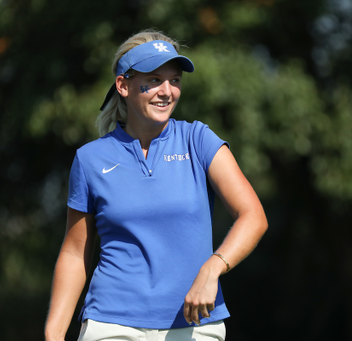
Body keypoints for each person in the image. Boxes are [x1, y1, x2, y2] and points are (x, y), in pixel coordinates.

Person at [44, 29, 268, 341]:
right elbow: (74, 253)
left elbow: (253, 216)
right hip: (112, 325)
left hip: (195, 327)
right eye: (154, 80)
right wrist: (54, 334)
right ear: (123, 85)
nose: (167, 91)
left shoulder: (199, 140)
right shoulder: (91, 159)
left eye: (174, 80)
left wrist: (213, 268)